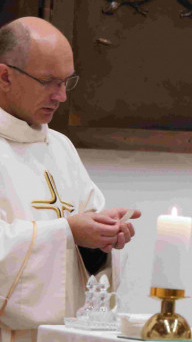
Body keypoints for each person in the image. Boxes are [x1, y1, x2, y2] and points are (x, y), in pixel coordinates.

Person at [0, 17, 140, 342]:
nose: (61, 96)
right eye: (48, 82)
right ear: (5, 76)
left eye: (67, 82)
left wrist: (102, 241)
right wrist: (68, 232)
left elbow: (88, 239)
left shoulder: (61, 147)